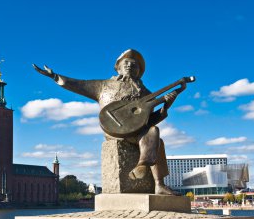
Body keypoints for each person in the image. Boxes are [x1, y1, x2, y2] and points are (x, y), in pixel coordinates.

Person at [33, 49, 179, 195]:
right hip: (114, 130)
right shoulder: (104, 85)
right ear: (119, 67)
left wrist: (166, 105)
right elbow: (77, 84)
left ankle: (156, 181)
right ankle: (152, 175)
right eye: (126, 63)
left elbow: (148, 120)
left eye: (134, 65)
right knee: (154, 137)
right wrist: (54, 76)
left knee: (154, 133)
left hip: (136, 132)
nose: (129, 66)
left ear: (139, 71)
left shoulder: (146, 93)